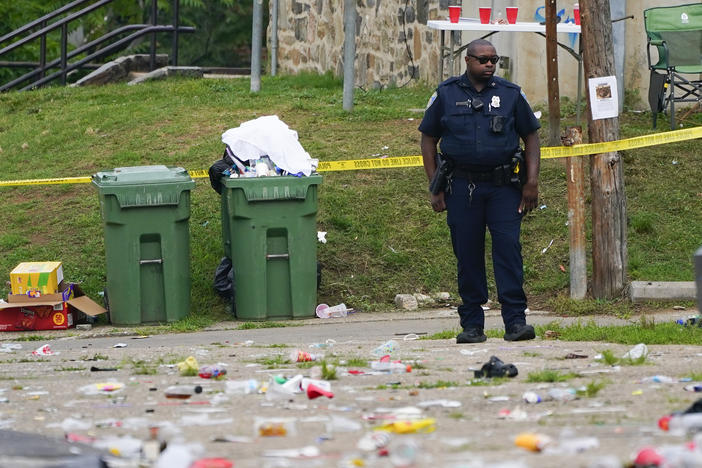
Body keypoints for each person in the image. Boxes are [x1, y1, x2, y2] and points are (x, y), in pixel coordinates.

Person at [418, 39, 541, 344]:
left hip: (504, 188)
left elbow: (532, 137)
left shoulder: (510, 94)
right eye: (483, 60)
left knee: (508, 251)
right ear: (468, 61)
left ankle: (515, 322)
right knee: (468, 255)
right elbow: (428, 140)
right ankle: (472, 324)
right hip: (462, 188)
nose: (489, 65)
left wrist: (532, 182)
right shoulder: (446, 94)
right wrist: (435, 186)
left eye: (494, 60)